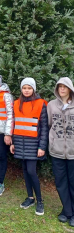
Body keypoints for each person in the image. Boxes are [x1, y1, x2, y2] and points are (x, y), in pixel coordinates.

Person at [10, 78, 48, 216]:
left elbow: (44, 128)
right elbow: (15, 124)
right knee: (25, 172)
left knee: (31, 171)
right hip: (20, 143)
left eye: (29, 88)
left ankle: (40, 201)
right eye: (24, 88)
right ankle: (30, 198)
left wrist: (42, 147)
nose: (26, 90)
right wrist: (13, 143)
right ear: (21, 89)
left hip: (34, 145)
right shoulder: (16, 104)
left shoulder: (41, 104)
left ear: (33, 89)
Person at [47, 77, 74, 226]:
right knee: (61, 183)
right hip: (56, 151)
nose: (62, 89)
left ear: (70, 88)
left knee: (73, 183)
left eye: (65, 87)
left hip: (73, 153)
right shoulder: (51, 105)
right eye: (59, 87)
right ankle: (67, 211)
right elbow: (49, 124)